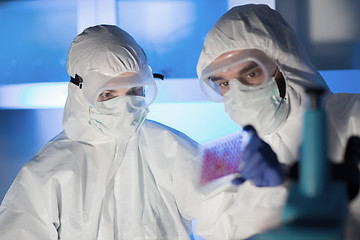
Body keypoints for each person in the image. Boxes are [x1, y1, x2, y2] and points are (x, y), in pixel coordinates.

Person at [0, 24, 288, 240]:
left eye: (135, 91)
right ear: (79, 92)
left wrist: (253, 175)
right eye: (108, 94)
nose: (124, 107)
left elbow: (225, 202)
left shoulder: (167, 146)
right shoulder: (46, 173)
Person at [196, 3, 360, 239]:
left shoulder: (353, 117)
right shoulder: (223, 158)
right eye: (223, 83)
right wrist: (263, 196)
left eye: (251, 73)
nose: (238, 93)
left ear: (286, 63)